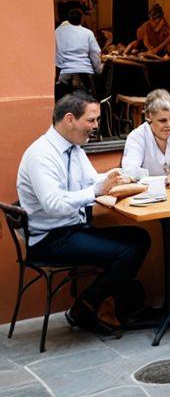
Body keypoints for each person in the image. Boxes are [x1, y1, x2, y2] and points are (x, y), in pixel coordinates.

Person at [16, 92, 148, 334]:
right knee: (129, 250)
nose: (96, 126)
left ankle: (98, 305)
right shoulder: (41, 155)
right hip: (50, 240)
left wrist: (119, 176)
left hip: (72, 229)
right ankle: (87, 306)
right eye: (91, 120)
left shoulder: (73, 148)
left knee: (140, 238)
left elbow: (91, 180)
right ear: (70, 119)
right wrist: (97, 190)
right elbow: (53, 204)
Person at [54, 8, 101, 95]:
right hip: (84, 73)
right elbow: (95, 53)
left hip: (65, 73)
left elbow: (54, 52)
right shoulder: (88, 33)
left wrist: (58, 71)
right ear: (82, 19)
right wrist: (98, 70)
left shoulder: (58, 32)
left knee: (63, 100)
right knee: (87, 100)